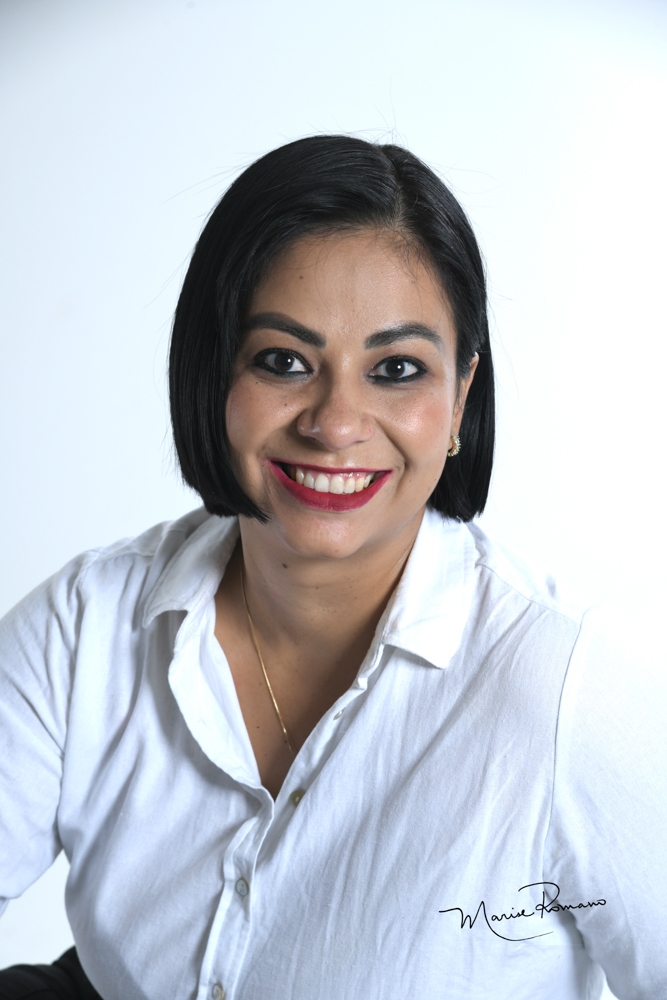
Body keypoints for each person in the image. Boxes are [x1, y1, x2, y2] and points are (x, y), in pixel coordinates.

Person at [0, 135, 665, 1000]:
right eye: (282, 361)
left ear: (460, 398)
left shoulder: (566, 692)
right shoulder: (84, 627)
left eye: (396, 370)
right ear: (213, 373)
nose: (336, 422)